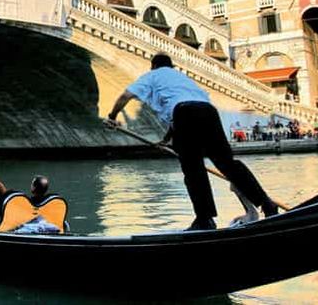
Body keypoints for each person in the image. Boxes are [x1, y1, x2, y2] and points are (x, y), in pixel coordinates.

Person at [105, 53, 279, 231]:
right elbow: (183, 107)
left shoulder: (152, 76)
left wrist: (112, 116)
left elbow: (126, 96)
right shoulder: (183, 79)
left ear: (153, 66)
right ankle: (267, 204)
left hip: (185, 115)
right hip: (209, 112)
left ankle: (205, 219)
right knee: (228, 164)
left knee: (193, 169)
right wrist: (166, 140)